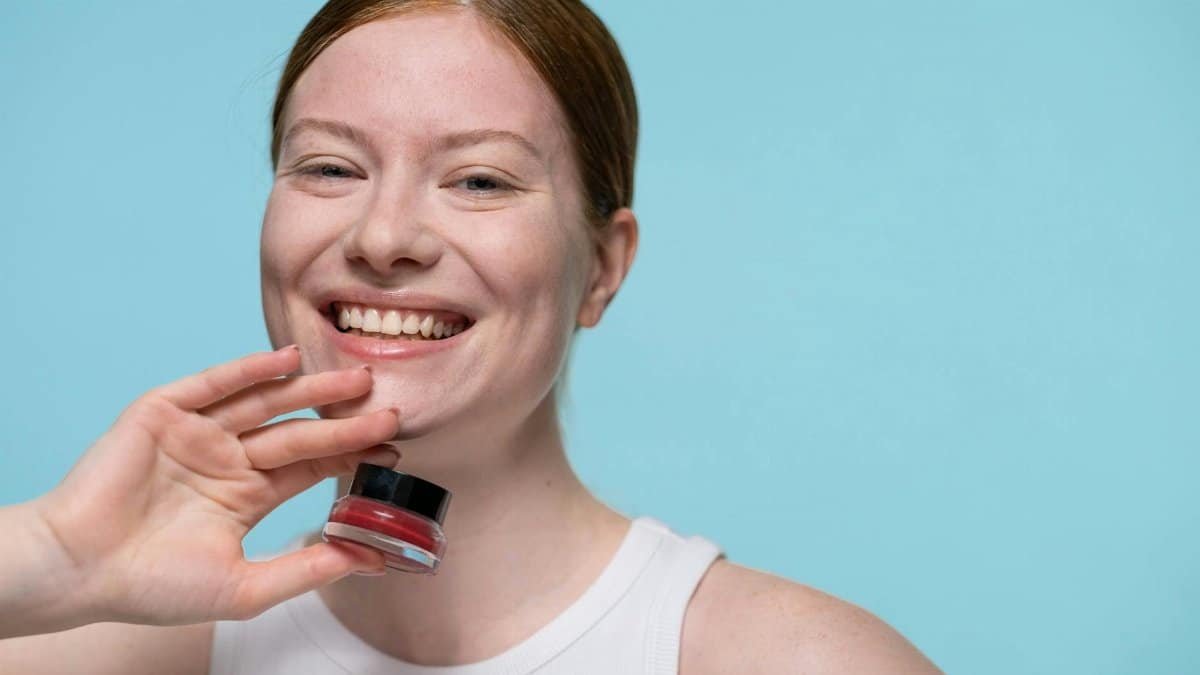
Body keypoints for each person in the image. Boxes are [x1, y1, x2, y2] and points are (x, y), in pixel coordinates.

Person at [0, 1, 942, 673]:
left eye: (480, 180)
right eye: (329, 166)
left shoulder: (796, 660)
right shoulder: (101, 642)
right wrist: (50, 556)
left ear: (604, 267)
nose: (382, 238)